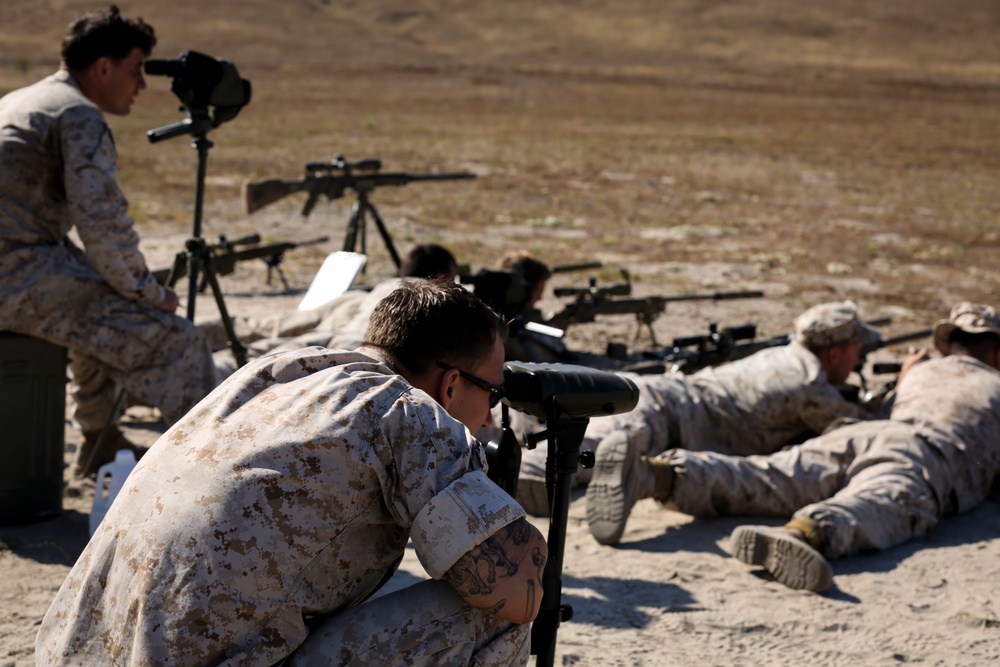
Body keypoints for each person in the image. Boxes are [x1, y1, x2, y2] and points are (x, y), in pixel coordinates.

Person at [36, 280, 547, 665]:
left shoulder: (280, 373)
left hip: (73, 652)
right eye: (493, 394)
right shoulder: (412, 413)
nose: (488, 417)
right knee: (493, 614)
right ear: (452, 384)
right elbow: (515, 593)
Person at [586, 302, 1000, 594]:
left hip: (862, 435)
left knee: (770, 474)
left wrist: (909, 377)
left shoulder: (922, 372)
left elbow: (883, 412)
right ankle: (806, 534)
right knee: (881, 500)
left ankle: (657, 475)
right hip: (925, 453)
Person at [0, 5, 216, 476]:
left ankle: (100, 441)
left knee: (97, 297)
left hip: (17, 261)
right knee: (179, 344)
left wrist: (124, 283)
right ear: (103, 67)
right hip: (14, 273)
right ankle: (213, 472)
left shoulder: (26, 99)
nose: (141, 84)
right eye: (136, 69)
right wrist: (149, 292)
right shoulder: (77, 115)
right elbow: (102, 225)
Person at [516, 300, 881, 517]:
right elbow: (863, 428)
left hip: (665, 398)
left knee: (583, 444)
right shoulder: (810, 385)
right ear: (833, 352)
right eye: (856, 351)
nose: (859, 358)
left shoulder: (786, 356)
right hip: (665, 414)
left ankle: (519, 467)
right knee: (580, 456)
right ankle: (518, 478)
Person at [205, 243, 460, 378]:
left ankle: (201, 339)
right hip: (357, 343)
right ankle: (204, 375)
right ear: (440, 277)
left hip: (349, 316)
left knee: (271, 333)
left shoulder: (379, 287)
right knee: (279, 363)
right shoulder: (430, 296)